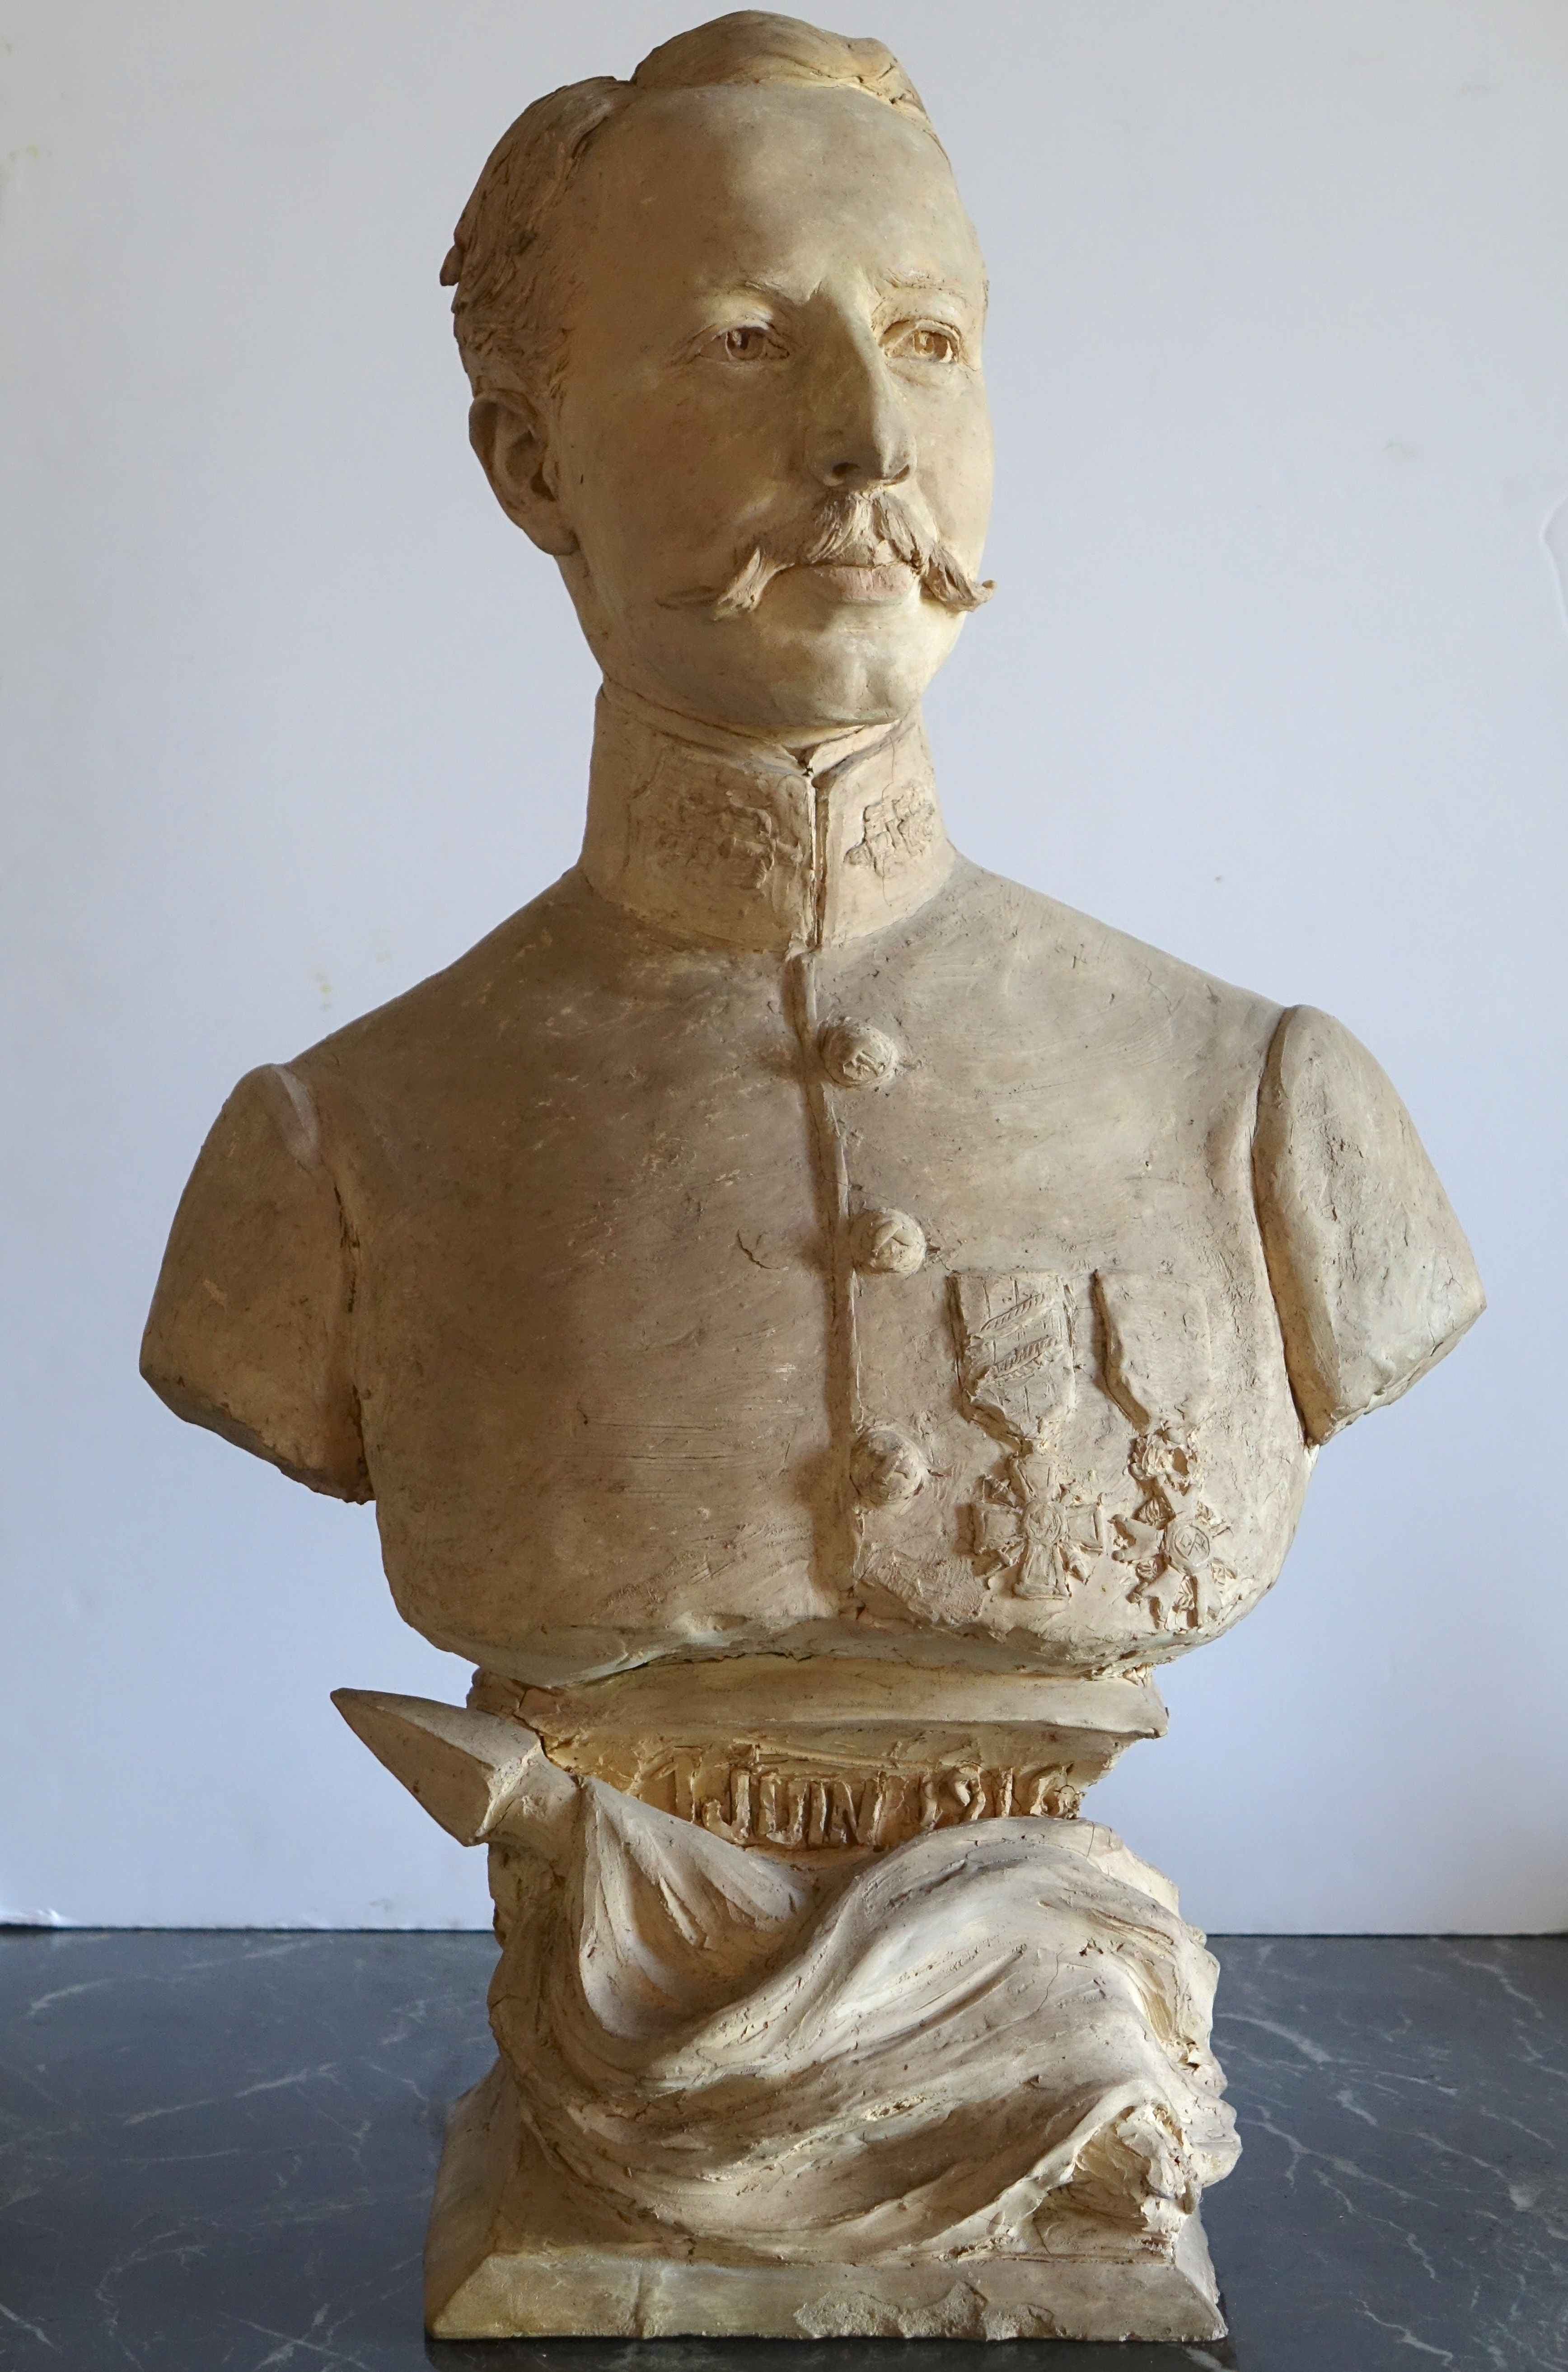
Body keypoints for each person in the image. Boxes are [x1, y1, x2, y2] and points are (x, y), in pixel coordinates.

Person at [140, 14, 1483, 2342]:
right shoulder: (338, 1150)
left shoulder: (1268, 1102)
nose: (871, 441)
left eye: (931, 340)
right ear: (530, 460)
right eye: (749, 340)